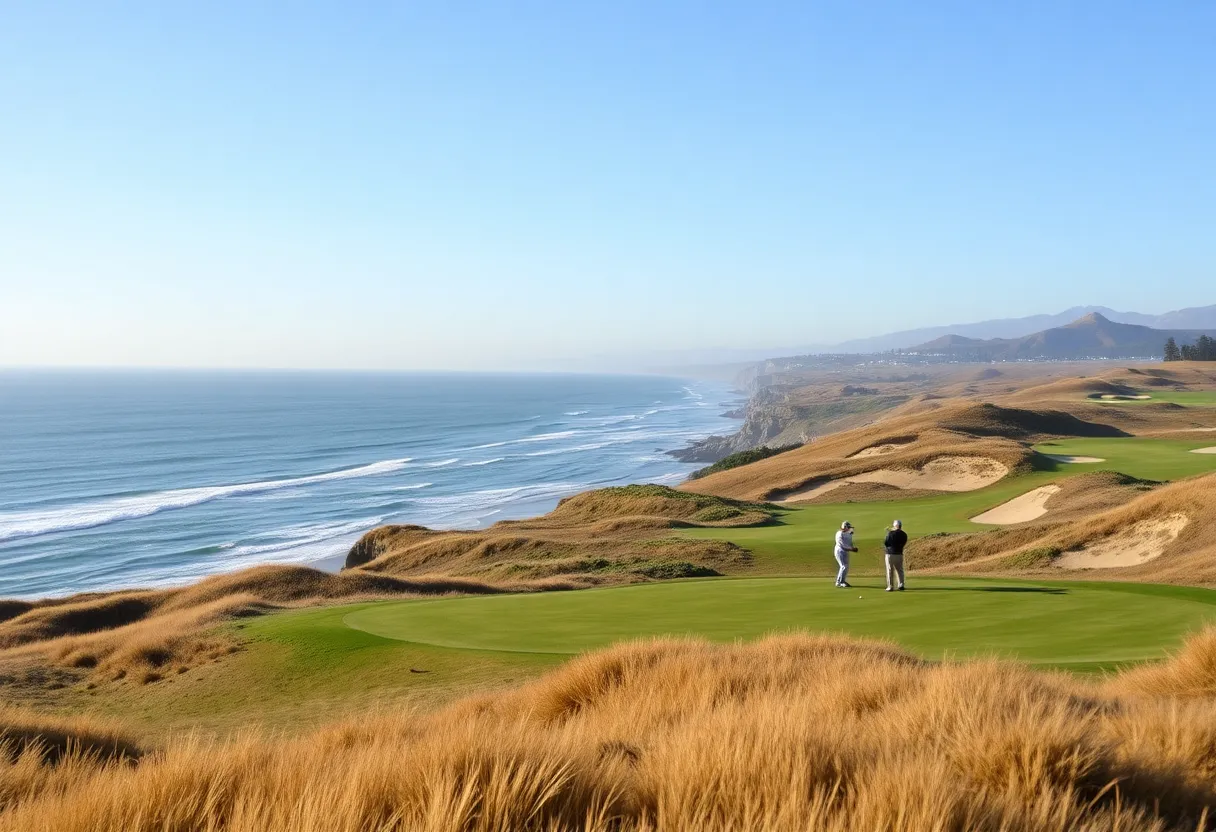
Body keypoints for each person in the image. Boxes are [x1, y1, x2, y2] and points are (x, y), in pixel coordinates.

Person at [884, 520, 908, 592]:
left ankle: (890, 586)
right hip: (899, 554)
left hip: (890, 554)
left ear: (895, 526)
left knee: (890, 570)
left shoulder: (890, 533)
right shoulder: (904, 534)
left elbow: (886, 543)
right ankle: (901, 585)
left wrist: (889, 532)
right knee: (900, 570)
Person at [834, 521, 858, 588]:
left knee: (846, 567)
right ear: (844, 527)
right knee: (843, 566)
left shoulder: (849, 533)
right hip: (839, 551)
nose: (850, 528)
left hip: (846, 551)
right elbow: (842, 545)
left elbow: (850, 542)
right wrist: (852, 549)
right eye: (848, 527)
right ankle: (840, 582)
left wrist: (852, 548)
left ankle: (841, 581)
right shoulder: (839, 534)